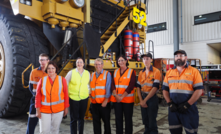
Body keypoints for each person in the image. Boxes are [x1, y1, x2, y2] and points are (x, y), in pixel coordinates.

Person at [162, 50, 204, 134]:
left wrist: (188, 104)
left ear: (186, 57)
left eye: (181, 55)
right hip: (173, 109)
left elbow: (199, 90)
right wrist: (169, 103)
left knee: (191, 132)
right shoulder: (169, 72)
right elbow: (165, 90)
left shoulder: (194, 71)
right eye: (176, 56)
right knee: (174, 131)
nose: (178, 57)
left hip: (189, 109)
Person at [35, 61, 69, 134]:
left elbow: (66, 95)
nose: (51, 70)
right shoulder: (42, 80)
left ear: (56, 69)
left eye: (52, 68)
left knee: (55, 130)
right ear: (46, 70)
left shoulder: (62, 80)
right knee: (44, 131)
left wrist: (66, 108)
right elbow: (38, 96)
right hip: (44, 110)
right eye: (49, 68)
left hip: (58, 110)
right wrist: (37, 110)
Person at [110, 55, 136, 134]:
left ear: (126, 61)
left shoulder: (131, 72)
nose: (120, 62)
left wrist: (121, 97)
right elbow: (112, 85)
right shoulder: (115, 71)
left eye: (122, 60)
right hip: (117, 100)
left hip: (127, 100)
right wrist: (116, 96)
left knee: (128, 119)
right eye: (119, 61)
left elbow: (131, 86)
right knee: (118, 119)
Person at [137, 53, 161, 134]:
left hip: (152, 99)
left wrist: (145, 100)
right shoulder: (141, 73)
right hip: (143, 98)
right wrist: (141, 100)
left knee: (152, 122)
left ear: (151, 60)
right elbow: (138, 87)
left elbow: (155, 88)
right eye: (144, 59)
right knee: (145, 121)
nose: (145, 60)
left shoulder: (156, 71)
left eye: (147, 58)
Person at [65, 57, 90, 134]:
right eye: (77, 62)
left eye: (81, 62)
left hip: (84, 98)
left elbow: (88, 84)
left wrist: (88, 93)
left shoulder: (87, 73)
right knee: (73, 119)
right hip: (73, 98)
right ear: (76, 64)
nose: (79, 64)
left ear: (83, 64)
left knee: (81, 118)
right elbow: (65, 84)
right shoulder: (71, 73)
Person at [26, 53, 49, 134]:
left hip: (47, 101)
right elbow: (30, 86)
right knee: (32, 121)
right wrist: (35, 95)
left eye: (44, 60)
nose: (42, 62)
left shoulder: (51, 73)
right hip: (35, 100)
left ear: (48, 61)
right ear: (39, 61)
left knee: (46, 123)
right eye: (41, 60)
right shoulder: (34, 72)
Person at [90, 58, 111, 134]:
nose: (98, 66)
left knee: (106, 122)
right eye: (96, 64)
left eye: (99, 64)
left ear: (102, 65)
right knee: (96, 123)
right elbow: (91, 87)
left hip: (104, 104)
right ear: (94, 65)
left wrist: (106, 100)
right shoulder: (92, 75)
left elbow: (108, 88)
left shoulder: (107, 74)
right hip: (94, 103)